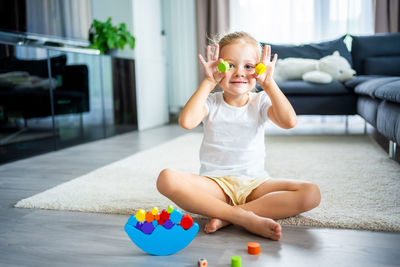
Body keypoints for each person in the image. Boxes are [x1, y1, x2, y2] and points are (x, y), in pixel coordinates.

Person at [156, 32, 321, 240]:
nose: (239, 73)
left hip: (255, 184)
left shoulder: (260, 101)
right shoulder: (211, 101)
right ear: (219, 67)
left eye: (249, 66)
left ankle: (228, 217)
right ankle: (242, 217)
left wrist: (269, 84)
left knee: (312, 193)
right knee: (166, 179)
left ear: (259, 69)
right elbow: (186, 122)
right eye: (230, 65)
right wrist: (208, 81)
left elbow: (289, 122)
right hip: (215, 185)